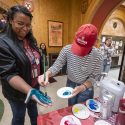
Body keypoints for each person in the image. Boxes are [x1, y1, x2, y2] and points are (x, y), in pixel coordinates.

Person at [0, 5, 52, 125]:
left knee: (34, 114)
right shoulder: (3, 43)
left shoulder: (30, 40)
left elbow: (37, 60)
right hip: (17, 93)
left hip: (34, 86)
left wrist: (43, 75)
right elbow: (9, 74)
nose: (25, 28)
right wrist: (30, 91)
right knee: (19, 118)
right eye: (20, 23)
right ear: (10, 21)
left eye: (28, 25)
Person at [38, 24, 103, 106]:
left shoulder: (98, 56)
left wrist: (82, 87)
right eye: (78, 46)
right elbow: (57, 66)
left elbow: (94, 77)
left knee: (83, 109)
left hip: (86, 87)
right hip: (70, 83)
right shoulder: (67, 49)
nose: (79, 53)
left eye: (83, 49)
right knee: (71, 107)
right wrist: (47, 74)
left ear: (94, 43)